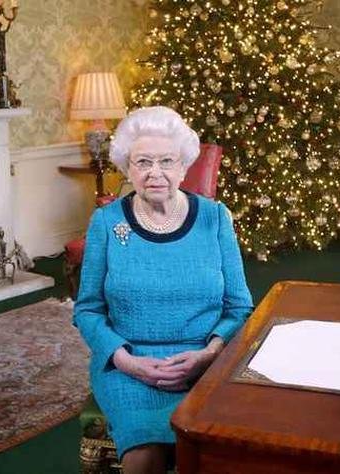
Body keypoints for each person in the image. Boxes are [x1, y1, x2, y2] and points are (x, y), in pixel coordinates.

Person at [73, 106, 254, 474]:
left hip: (207, 365)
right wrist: (127, 361)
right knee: (144, 457)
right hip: (129, 366)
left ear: (184, 167)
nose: (155, 173)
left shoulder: (214, 217)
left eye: (166, 161)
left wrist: (208, 355)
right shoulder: (106, 223)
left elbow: (239, 307)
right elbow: (87, 309)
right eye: (143, 162)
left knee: (229, 450)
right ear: (128, 168)